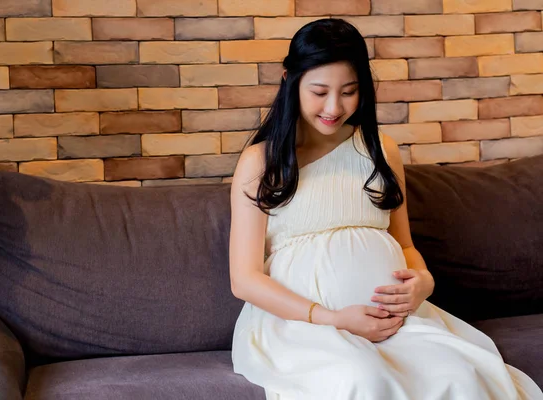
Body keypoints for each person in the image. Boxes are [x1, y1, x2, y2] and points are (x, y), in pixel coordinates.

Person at [228, 18, 543, 400]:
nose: (333, 107)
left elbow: (405, 245)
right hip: (301, 326)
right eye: (319, 91)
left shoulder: (380, 149)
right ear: (289, 80)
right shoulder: (262, 162)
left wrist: (423, 281)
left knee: (458, 374)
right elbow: (243, 279)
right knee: (362, 379)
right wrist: (334, 318)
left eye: (349, 91)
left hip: (397, 322)